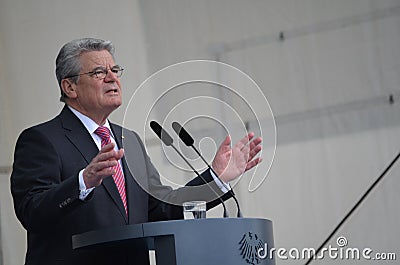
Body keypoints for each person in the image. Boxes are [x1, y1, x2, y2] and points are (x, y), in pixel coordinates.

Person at [10, 38, 262, 265]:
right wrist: (83, 182)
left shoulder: (128, 140)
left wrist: (216, 178)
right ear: (70, 87)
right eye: (99, 72)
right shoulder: (42, 140)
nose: (112, 78)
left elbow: (162, 211)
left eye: (115, 70)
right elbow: (32, 211)